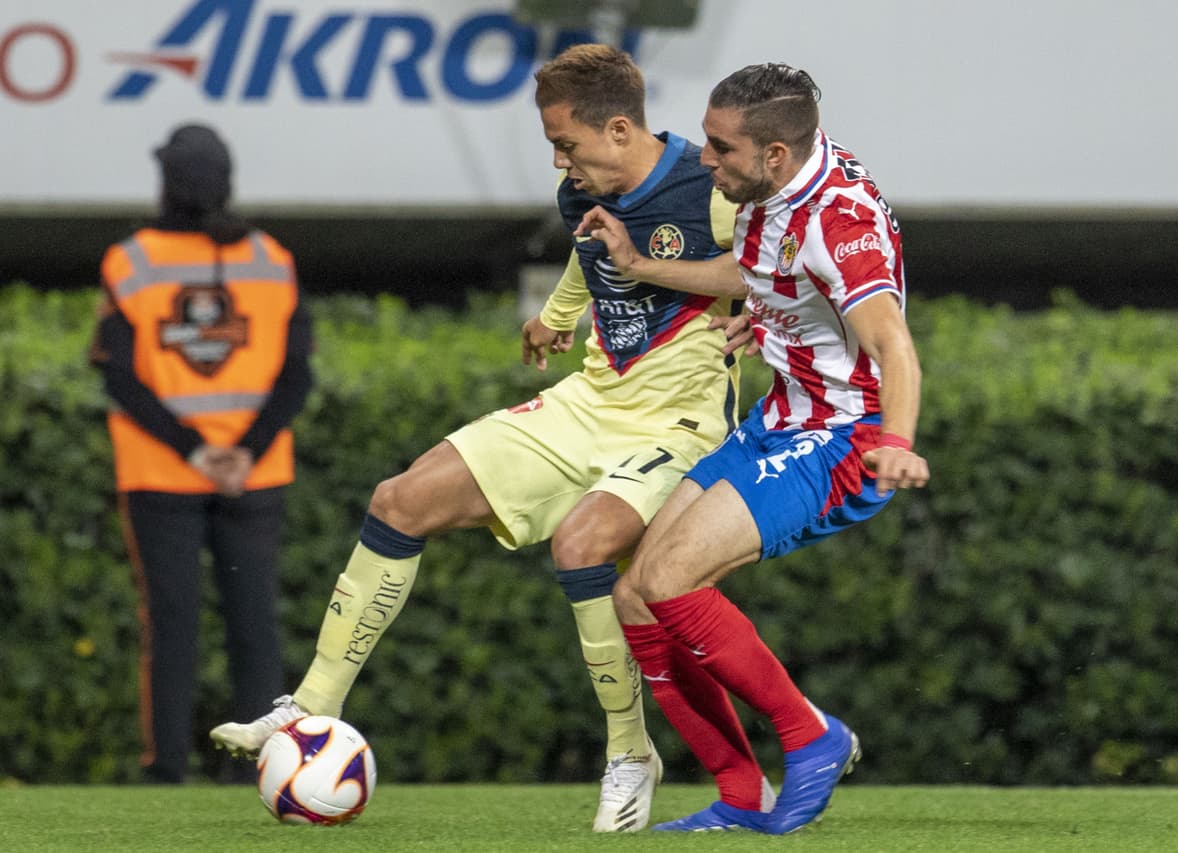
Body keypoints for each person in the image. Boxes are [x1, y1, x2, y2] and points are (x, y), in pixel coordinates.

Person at [210, 44, 749, 831]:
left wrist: (736, 305)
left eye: (566, 143)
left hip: (681, 423)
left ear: (620, 130)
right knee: (400, 500)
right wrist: (557, 317)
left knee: (581, 544)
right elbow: (590, 251)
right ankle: (310, 707)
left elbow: (765, 270)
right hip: (588, 403)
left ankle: (631, 751)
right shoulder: (581, 190)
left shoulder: (709, 187)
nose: (559, 162)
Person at [580, 62, 929, 834]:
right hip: (779, 419)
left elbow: (893, 344)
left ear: (774, 153)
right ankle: (741, 792)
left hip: (842, 437)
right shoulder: (780, 181)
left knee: (670, 579)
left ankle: (812, 735)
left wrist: (899, 442)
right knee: (635, 593)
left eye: (720, 147)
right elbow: (759, 269)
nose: (704, 158)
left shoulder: (839, 221)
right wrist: (655, 270)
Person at [89, 123, 314, 784]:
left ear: (165, 183)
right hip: (255, 475)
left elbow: (119, 376)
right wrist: (242, 452)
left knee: (170, 623)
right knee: (255, 625)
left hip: (161, 475)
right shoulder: (271, 259)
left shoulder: (130, 260)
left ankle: (166, 769)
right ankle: (262, 771)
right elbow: (296, 376)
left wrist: (195, 451)